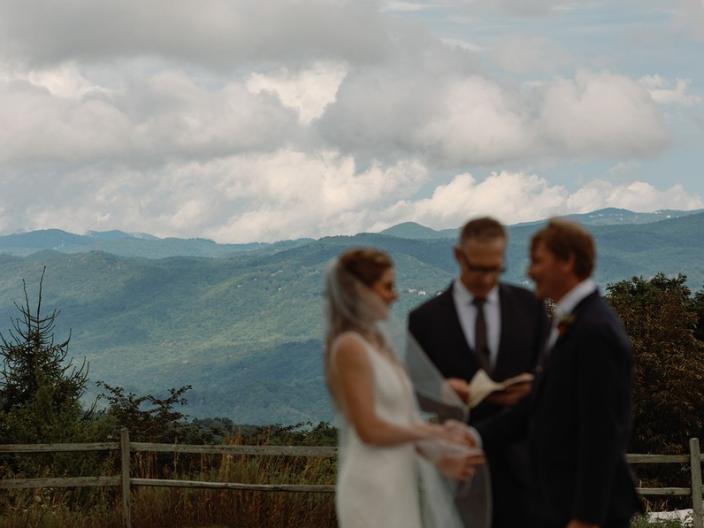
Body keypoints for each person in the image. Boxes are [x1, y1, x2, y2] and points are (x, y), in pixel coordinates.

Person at [474, 219, 642, 528]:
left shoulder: (594, 331)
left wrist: (586, 517)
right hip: (557, 503)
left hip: (587, 513)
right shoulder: (573, 322)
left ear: (568, 261)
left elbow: (603, 429)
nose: (529, 271)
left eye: (537, 261)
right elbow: (536, 404)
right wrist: (473, 437)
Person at [324, 247, 484, 528]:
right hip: (371, 482)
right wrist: (434, 431)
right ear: (361, 291)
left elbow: (400, 421)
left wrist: (437, 451)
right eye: (387, 286)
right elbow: (370, 429)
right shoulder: (349, 347)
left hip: (399, 478)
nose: (394, 294)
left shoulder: (380, 345)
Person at [408, 216, 548, 528]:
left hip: (527, 472)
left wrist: (532, 388)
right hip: (459, 473)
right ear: (459, 256)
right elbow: (411, 395)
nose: (486, 279)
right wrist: (440, 390)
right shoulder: (424, 320)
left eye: (495, 269)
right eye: (478, 269)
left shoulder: (530, 308)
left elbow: (554, 382)